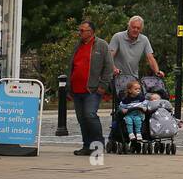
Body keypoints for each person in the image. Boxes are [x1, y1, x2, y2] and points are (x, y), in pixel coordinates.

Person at [68, 19, 113, 156]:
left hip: (92, 89)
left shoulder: (101, 45)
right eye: (79, 30)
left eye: (82, 30)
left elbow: (108, 67)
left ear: (91, 32)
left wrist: (103, 85)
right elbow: (72, 65)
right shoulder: (78, 46)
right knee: (82, 119)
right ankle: (87, 146)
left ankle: (98, 145)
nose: (80, 33)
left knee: (90, 115)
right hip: (77, 89)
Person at [109, 15, 163, 82]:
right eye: (133, 27)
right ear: (128, 26)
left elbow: (150, 58)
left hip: (133, 78)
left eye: (138, 28)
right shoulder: (118, 37)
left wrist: (157, 72)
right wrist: (114, 68)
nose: (136, 30)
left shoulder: (144, 39)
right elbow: (109, 56)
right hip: (117, 77)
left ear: (141, 29)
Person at [118, 79, 148, 144]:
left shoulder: (141, 98)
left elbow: (145, 103)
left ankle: (138, 133)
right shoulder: (126, 99)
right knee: (128, 121)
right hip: (129, 114)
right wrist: (123, 109)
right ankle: (130, 133)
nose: (138, 90)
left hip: (138, 114)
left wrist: (144, 108)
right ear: (130, 90)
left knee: (138, 121)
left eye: (139, 89)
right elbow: (121, 105)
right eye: (136, 89)